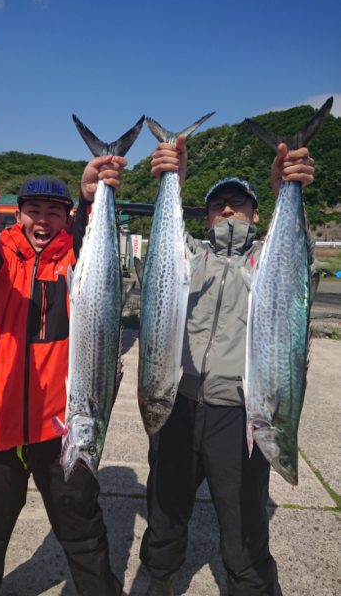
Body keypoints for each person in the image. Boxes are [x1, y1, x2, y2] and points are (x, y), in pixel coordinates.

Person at [0, 136, 126, 596]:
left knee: (85, 538)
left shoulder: (76, 261)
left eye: (54, 212)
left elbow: (91, 240)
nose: (43, 220)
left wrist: (90, 195)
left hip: (59, 429)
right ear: (18, 213)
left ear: (66, 219)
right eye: (34, 210)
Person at [139, 135, 316, 596]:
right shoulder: (188, 256)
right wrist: (172, 179)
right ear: (206, 214)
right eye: (219, 204)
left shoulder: (266, 260)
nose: (229, 211)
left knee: (244, 534)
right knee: (162, 521)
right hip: (177, 406)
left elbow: (302, 265)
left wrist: (289, 192)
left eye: (240, 203)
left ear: (256, 214)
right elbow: (162, 249)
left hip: (239, 416)